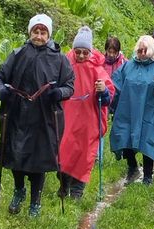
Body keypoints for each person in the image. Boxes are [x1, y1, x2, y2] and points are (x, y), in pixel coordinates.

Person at [0, 14, 75, 217]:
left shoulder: (60, 59)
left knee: (40, 160)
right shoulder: (18, 54)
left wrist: (59, 93)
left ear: (49, 34)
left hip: (45, 118)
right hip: (17, 115)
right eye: (35, 31)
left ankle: (35, 201)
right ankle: (19, 189)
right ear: (30, 33)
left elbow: (70, 86)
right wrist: (1, 90)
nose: (39, 35)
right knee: (14, 155)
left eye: (43, 32)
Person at [110, 35, 154, 185]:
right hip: (128, 111)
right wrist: (105, 94)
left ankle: (148, 176)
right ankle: (132, 167)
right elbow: (114, 84)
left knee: (147, 141)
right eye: (139, 50)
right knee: (124, 136)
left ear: (152, 50)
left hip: (150, 112)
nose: (142, 53)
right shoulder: (128, 66)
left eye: (145, 50)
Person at [57, 26, 115, 199]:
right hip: (68, 118)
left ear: (90, 51)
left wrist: (103, 90)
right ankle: (63, 183)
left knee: (84, 156)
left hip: (89, 120)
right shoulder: (65, 65)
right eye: (78, 52)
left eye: (84, 52)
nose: (81, 56)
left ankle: (77, 192)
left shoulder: (97, 70)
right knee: (64, 152)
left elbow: (108, 98)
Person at [103, 36, 128, 116]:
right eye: (109, 52)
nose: (111, 55)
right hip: (105, 95)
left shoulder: (124, 63)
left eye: (114, 52)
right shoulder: (101, 62)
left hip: (118, 97)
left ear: (118, 51)